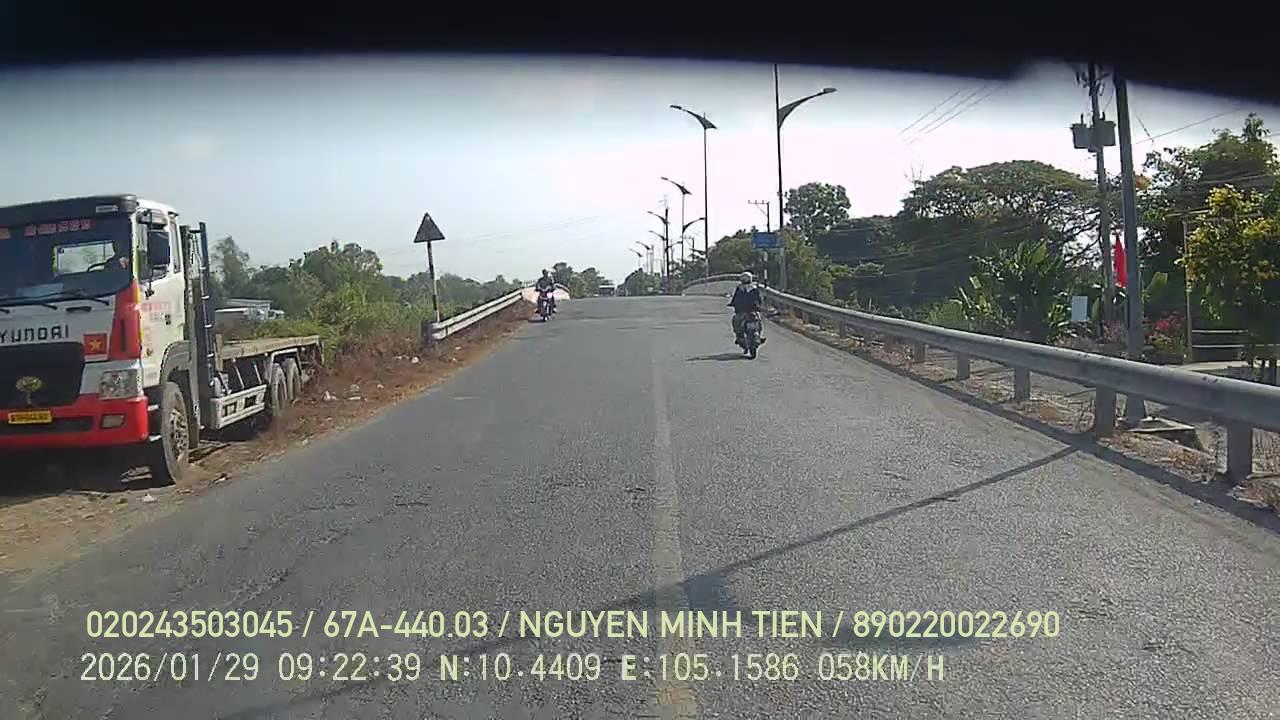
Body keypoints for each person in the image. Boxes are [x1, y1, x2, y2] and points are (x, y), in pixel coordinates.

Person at [728, 271, 766, 346]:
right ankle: (757, 336)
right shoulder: (754, 288)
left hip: (742, 311)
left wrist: (732, 304)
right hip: (753, 310)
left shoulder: (740, 288)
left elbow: (735, 299)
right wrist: (760, 306)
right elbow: (759, 299)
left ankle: (740, 337)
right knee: (758, 321)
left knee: (736, 321)